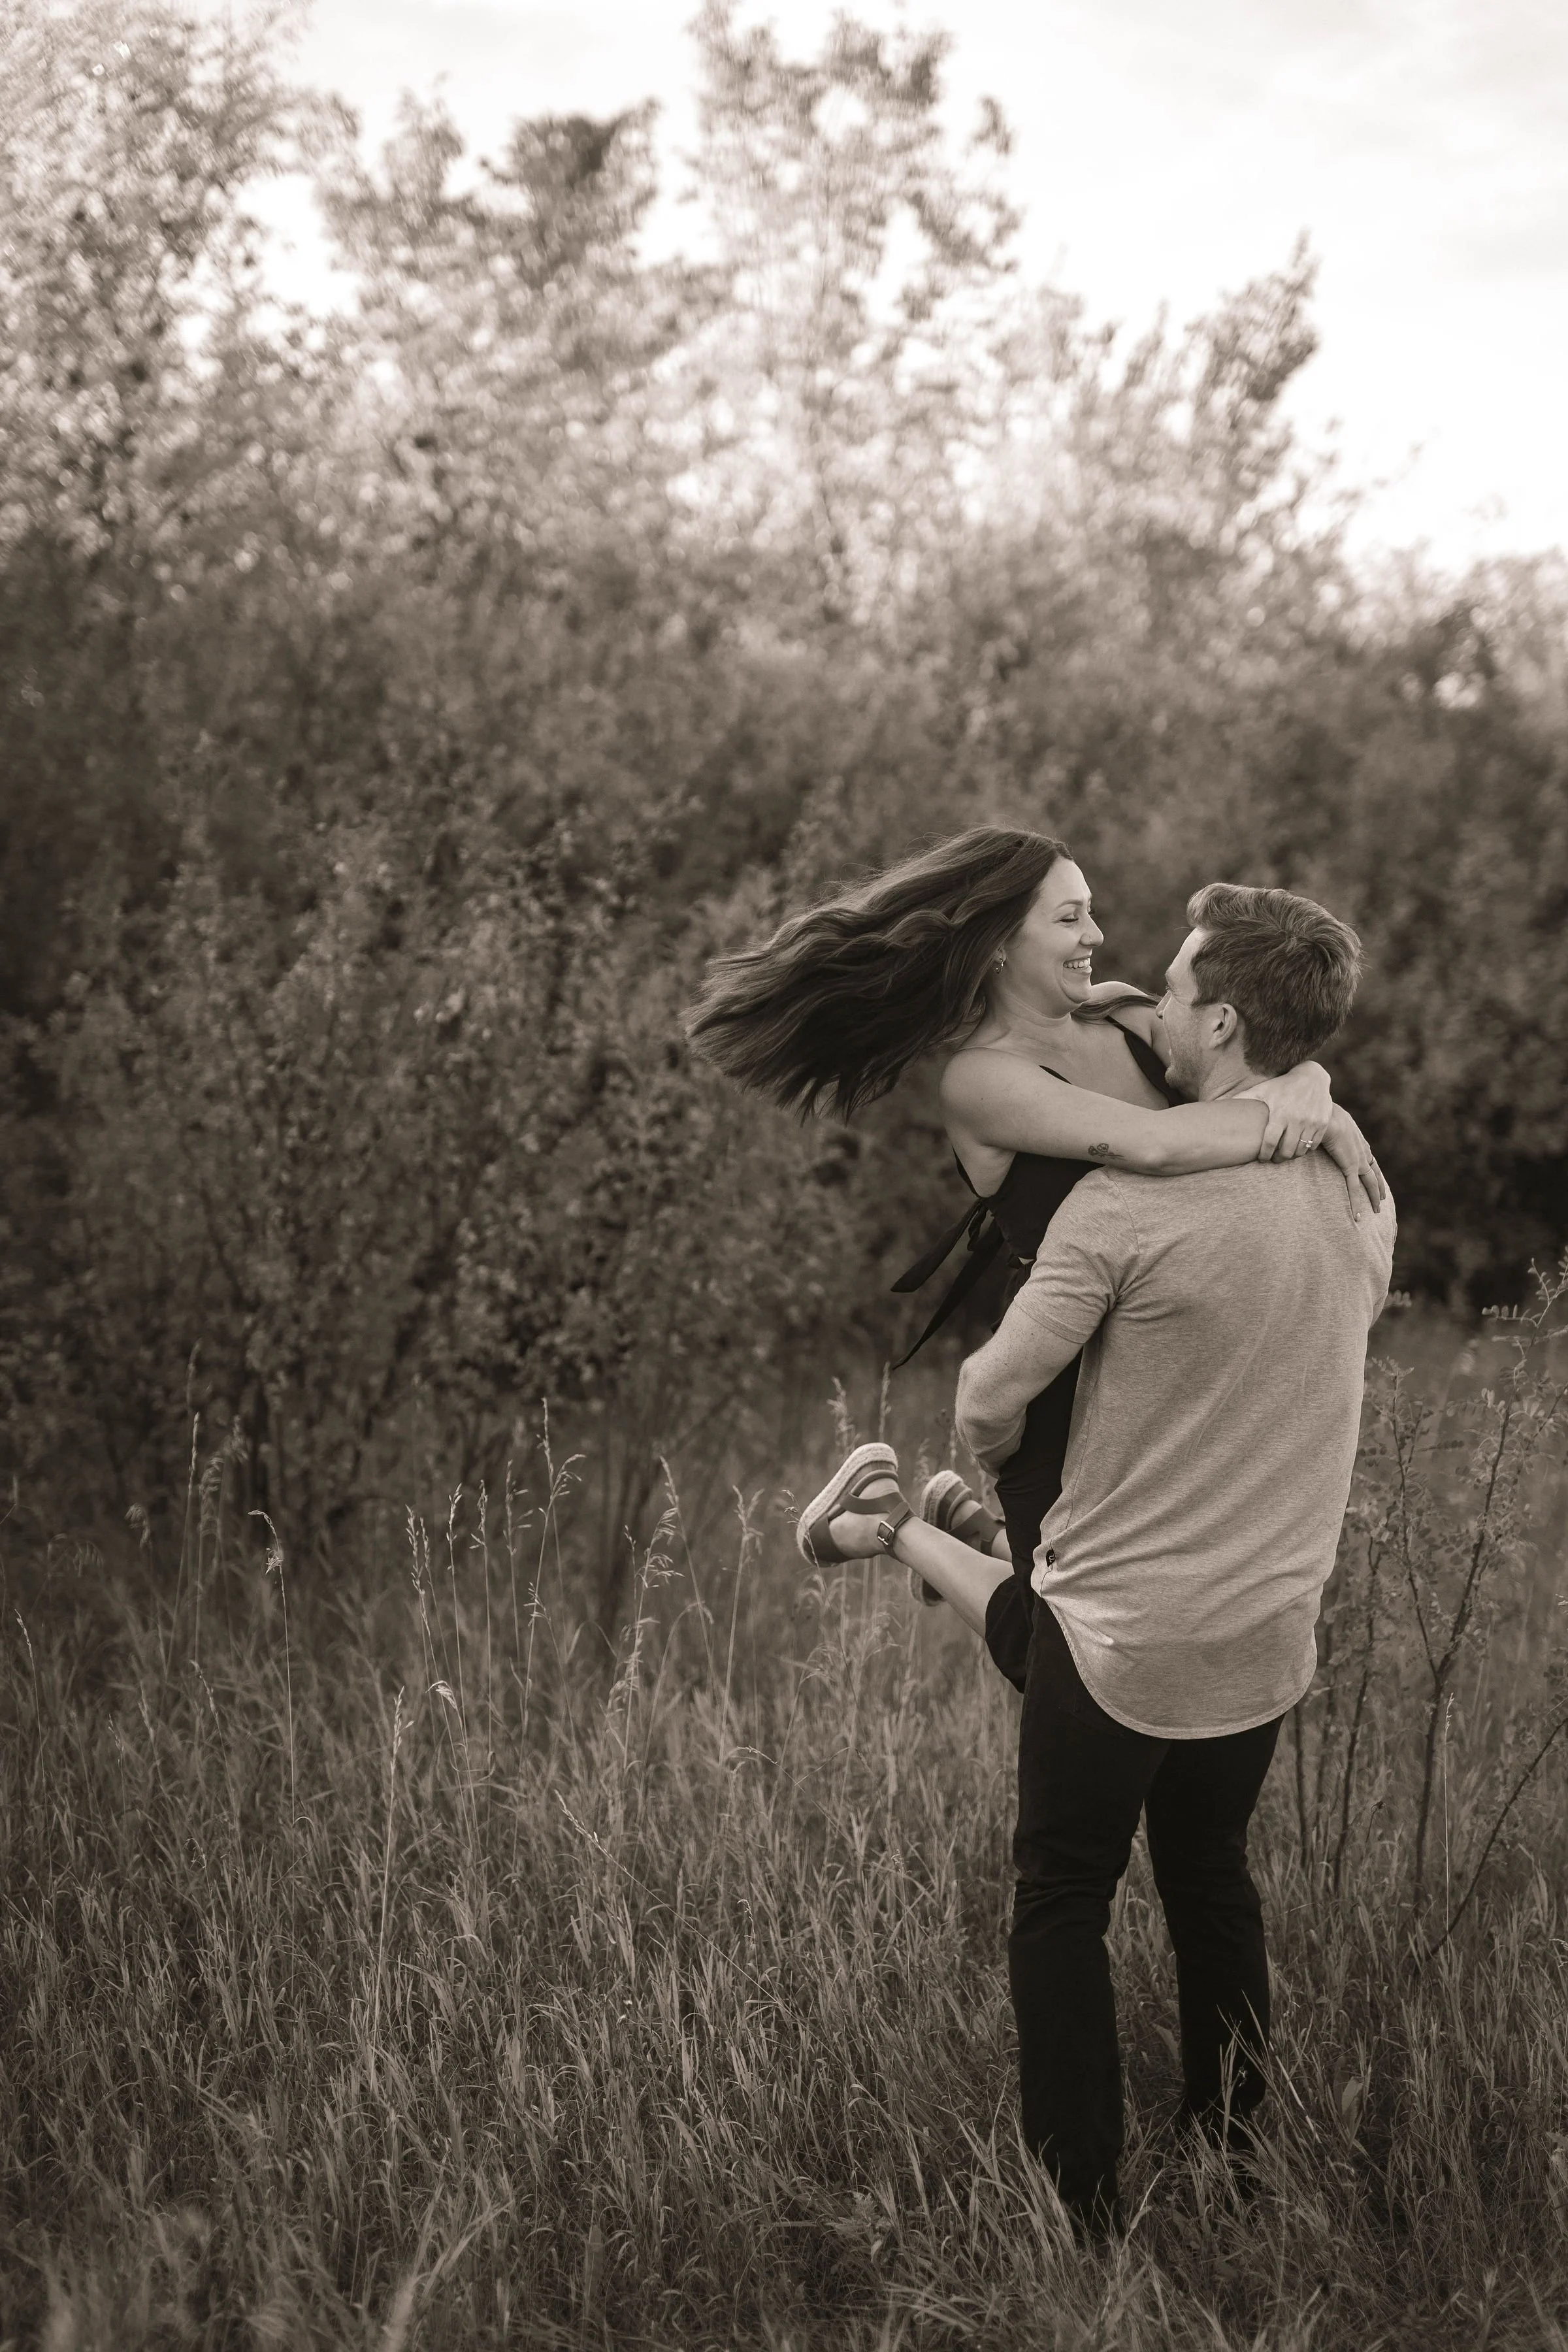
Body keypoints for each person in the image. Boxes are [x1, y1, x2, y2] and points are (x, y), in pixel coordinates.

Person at [796, 883, 1396, 2240]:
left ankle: (1085, 2218)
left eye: (1177, 989)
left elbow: (992, 1394)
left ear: (1224, 1018)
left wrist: (1041, 1465)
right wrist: (1313, 1099)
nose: (1146, 1000)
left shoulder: (1126, 1214)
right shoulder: (1364, 1200)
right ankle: (1235, 2160)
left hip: (1126, 1621)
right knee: (1212, 1881)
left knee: (1061, 1896)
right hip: (1270, 1628)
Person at [690, 827, 1383, 1684]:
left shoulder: (1129, 1015)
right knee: (1050, 1648)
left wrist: (1307, 1084)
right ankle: (890, 1523)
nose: (1094, 934)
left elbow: (1240, 1071)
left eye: (1090, 914)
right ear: (998, 944)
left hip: (1160, 1368)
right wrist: (1314, 1106)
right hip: (1057, 1383)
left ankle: (971, 1527)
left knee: (1141, 1612)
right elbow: (1160, 1148)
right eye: (1069, 917)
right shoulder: (984, 1082)